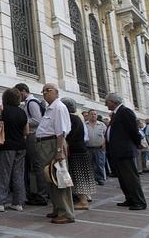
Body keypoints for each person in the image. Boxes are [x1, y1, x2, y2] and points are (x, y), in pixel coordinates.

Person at [36, 83, 75, 224]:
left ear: (56, 92)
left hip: (54, 144)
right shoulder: (50, 108)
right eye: (44, 91)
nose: (45, 93)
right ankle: (58, 208)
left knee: (60, 179)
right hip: (46, 145)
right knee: (51, 178)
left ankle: (67, 213)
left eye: (49, 90)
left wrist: (59, 151)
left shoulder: (59, 107)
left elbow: (61, 132)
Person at [0, 88, 28, 212]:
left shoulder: (1, 109)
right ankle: (18, 203)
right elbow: (26, 131)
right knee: (18, 174)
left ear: (5, 98)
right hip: (21, 146)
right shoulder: (22, 112)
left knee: (2, 174)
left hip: (6, 146)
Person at [105, 93, 147, 210]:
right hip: (117, 151)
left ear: (113, 102)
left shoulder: (125, 111)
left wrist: (137, 143)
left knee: (130, 177)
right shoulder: (116, 113)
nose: (105, 104)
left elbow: (133, 130)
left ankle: (139, 201)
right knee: (123, 178)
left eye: (107, 101)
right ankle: (130, 199)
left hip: (125, 151)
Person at [15, 83, 47, 206]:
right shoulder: (29, 103)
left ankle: (42, 195)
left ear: (23, 91)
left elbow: (37, 120)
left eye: (19, 94)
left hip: (33, 136)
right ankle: (37, 193)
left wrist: (22, 120)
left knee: (38, 165)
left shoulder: (32, 102)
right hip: (31, 136)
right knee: (34, 165)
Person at [62, 98, 96, 210]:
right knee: (80, 175)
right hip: (80, 150)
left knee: (78, 176)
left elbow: (70, 135)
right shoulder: (77, 118)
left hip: (76, 151)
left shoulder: (71, 118)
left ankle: (83, 201)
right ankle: (84, 199)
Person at [85, 109, 107, 185]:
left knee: (100, 164)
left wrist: (104, 145)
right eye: (92, 114)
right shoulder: (85, 125)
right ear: (88, 115)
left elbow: (105, 135)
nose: (93, 115)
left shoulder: (101, 125)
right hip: (88, 148)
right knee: (89, 164)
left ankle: (100, 179)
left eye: (95, 114)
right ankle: (91, 179)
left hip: (99, 148)